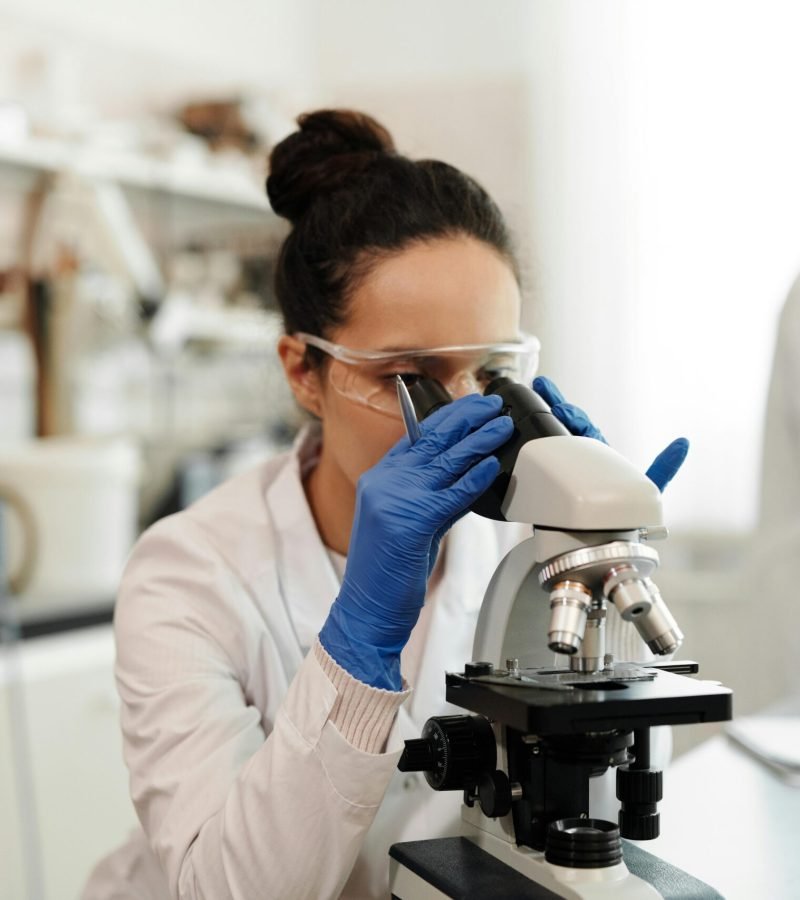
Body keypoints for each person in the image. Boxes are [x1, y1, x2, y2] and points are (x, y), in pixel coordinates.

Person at [83, 109, 686, 900]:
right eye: (412, 376)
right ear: (304, 370)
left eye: (494, 371)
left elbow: (605, 811)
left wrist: (596, 547)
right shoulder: (188, 573)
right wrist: (361, 639)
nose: (469, 411)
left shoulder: (519, 554)